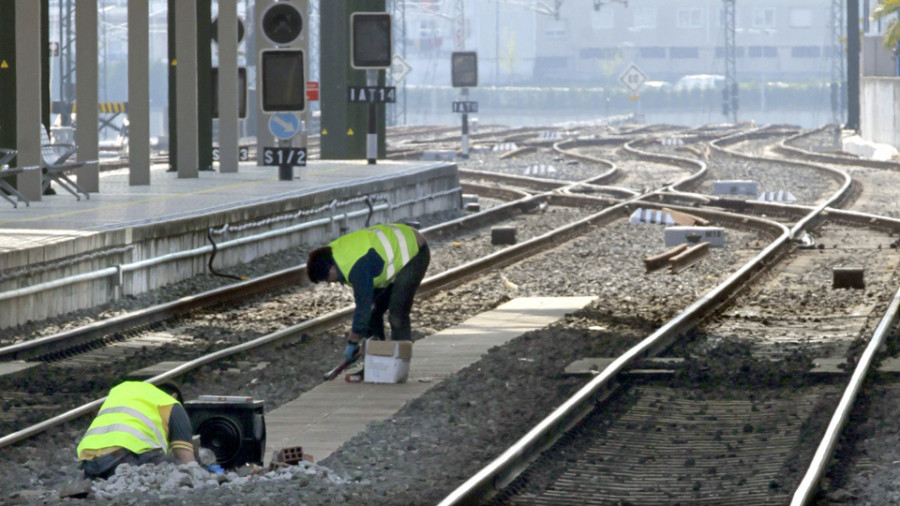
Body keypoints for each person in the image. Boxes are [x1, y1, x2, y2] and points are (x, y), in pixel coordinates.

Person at [306, 222, 430, 364]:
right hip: (389, 257)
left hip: (414, 253)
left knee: (397, 314)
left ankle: (400, 365)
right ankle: (378, 361)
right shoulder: (334, 254)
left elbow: (363, 306)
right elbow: (368, 308)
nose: (330, 283)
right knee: (373, 313)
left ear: (331, 268)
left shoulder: (355, 267)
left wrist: (353, 341)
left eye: (326, 279)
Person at [76, 381, 196, 480]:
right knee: (179, 470)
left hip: (89, 464)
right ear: (174, 396)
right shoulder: (171, 403)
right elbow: (187, 462)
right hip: (127, 457)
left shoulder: (123, 391)